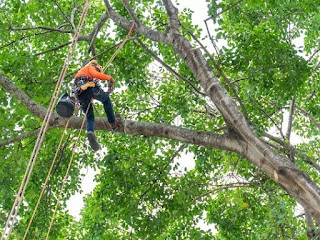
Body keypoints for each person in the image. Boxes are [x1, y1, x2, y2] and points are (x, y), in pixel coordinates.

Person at [72, 59, 117, 151]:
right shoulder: (90, 67)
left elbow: (78, 89)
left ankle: (90, 131)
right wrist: (109, 78)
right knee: (106, 101)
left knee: (90, 117)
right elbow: (96, 75)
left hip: (81, 95)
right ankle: (112, 121)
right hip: (90, 88)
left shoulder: (79, 75)